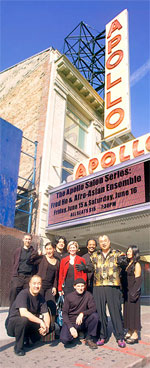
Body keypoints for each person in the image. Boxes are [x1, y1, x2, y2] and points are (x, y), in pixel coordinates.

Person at [76, 235, 126, 348]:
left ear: (109, 242)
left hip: (113, 286)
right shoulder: (95, 255)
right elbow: (90, 267)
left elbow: (124, 262)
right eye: (101, 242)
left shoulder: (117, 253)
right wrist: (85, 268)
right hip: (98, 287)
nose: (103, 243)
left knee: (116, 313)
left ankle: (120, 337)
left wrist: (124, 262)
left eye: (105, 241)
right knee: (101, 313)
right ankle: (102, 336)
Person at [6, 275, 50, 356]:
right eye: (34, 283)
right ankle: (18, 347)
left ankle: (28, 340)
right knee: (23, 320)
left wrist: (46, 326)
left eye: (39, 283)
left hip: (26, 323)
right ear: (29, 284)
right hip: (13, 324)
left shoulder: (41, 298)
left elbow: (46, 314)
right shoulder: (23, 294)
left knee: (50, 326)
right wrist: (41, 321)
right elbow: (23, 313)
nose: (36, 286)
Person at [60, 278, 99, 349]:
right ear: (74, 286)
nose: (80, 288)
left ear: (84, 286)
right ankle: (75, 334)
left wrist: (82, 313)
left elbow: (93, 309)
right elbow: (64, 313)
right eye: (78, 286)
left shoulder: (88, 295)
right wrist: (70, 327)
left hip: (82, 320)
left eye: (82, 286)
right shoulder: (69, 297)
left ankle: (89, 338)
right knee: (64, 340)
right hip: (72, 321)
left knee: (95, 316)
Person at [28, 241, 59, 327]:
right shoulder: (41, 258)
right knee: (36, 306)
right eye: (47, 249)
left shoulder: (57, 262)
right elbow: (29, 261)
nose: (48, 251)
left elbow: (56, 277)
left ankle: (51, 327)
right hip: (39, 286)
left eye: (50, 249)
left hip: (49, 287)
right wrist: (36, 254)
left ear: (54, 249)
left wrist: (54, 287)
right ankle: (34, 326)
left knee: (52, 306)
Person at [9, 233, 41, 306]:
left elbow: (37, 263)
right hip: (18, 276)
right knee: (14, 292)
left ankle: (24, 313)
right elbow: (14, 262)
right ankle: (12, 313)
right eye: (26, 239)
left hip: (28, 277)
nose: (27, 241)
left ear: (31, 240)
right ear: (23, 239)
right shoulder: (18, 251)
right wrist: (14, 275)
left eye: (29, 239)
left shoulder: (34, 252)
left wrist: (39, 255)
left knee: (26, 295)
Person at [123, 245, 142, 344]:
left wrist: (134, 293)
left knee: (134, 313)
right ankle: (130, 330)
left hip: (133, 292)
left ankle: (135, 333)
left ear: (135, 252)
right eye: (128, 251)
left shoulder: (137, 264)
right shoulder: (128, 263)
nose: (128, 252)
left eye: (130, 251)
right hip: (127, 292)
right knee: (128, 312)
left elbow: (138, 280)